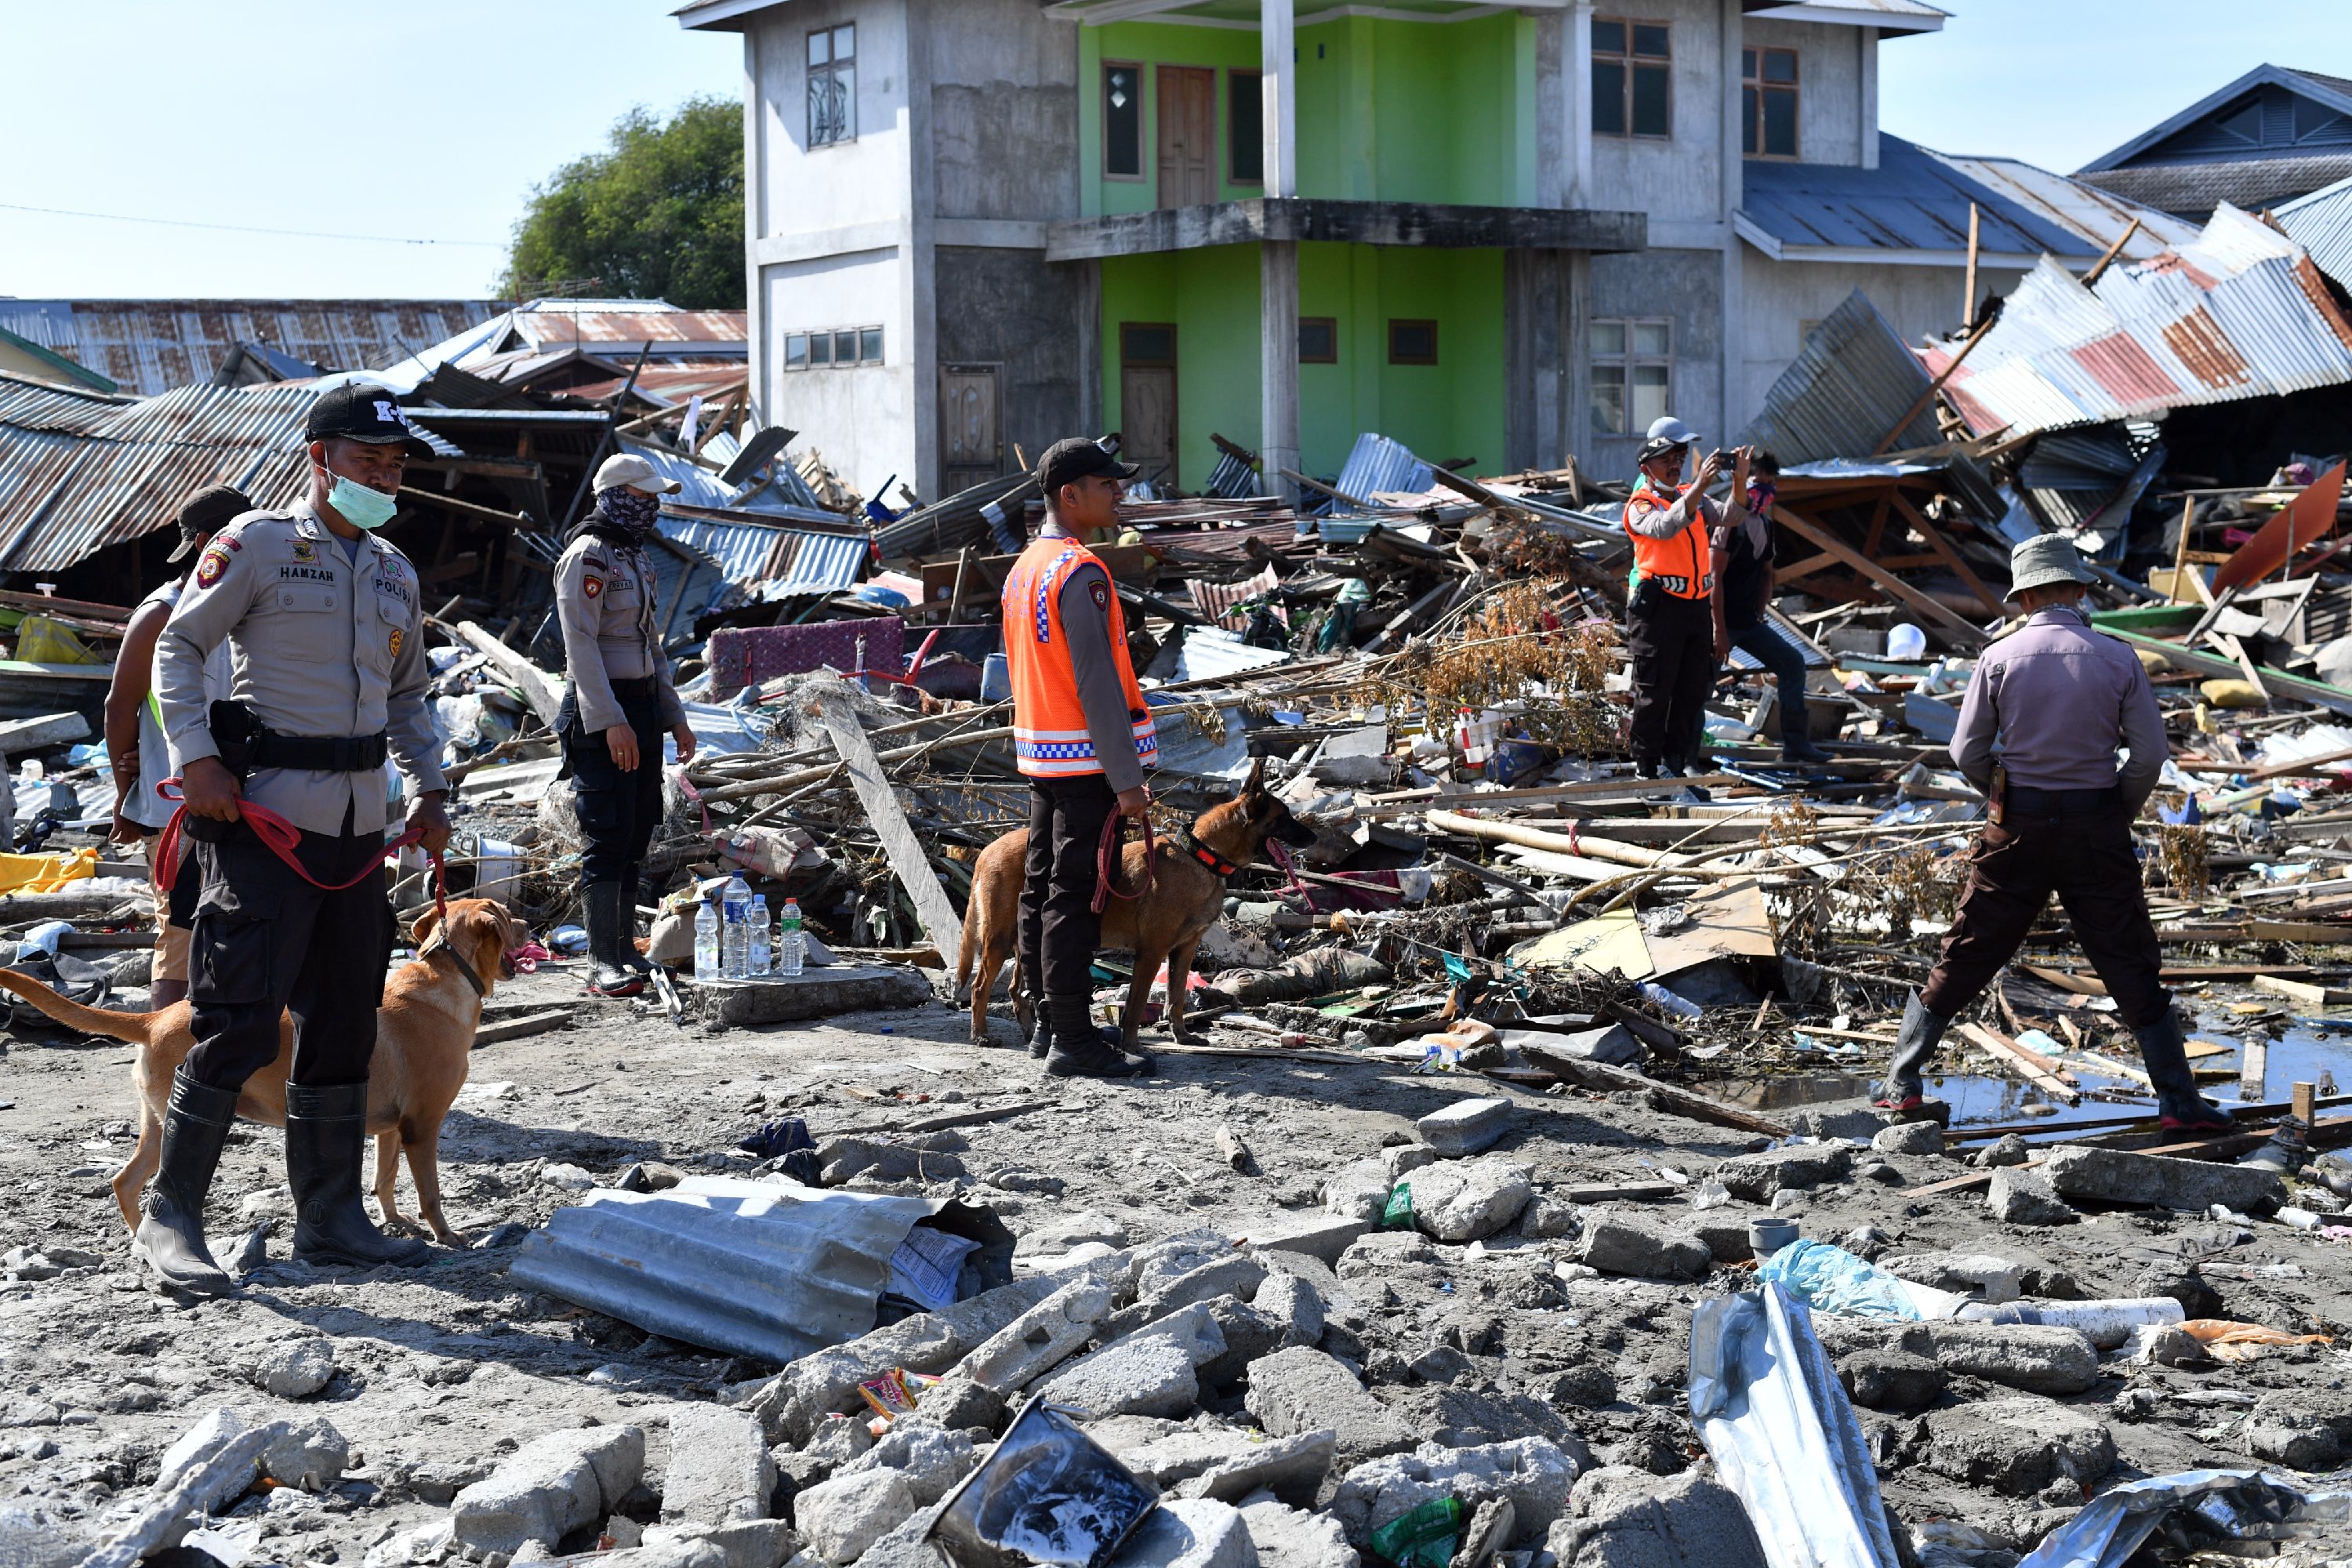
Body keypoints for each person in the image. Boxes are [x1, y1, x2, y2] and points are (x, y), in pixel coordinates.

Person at [141, 383, 453, 1295]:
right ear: (320, 458)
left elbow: (408, 697)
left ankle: (332, 1219)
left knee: (347, 1027)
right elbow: (178, 646)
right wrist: (197, 757)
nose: (385, 476)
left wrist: (431, 784)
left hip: (358, 836)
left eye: (395, 463)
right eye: (369, 460)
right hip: (263, 824)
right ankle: (172, 1218)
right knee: (236, 1023)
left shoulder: (395, 569)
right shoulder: (259, 545)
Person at [1872, 534, 2227, 1131]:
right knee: (2129, 958)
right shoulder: (2117, 657)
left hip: (2016, 829)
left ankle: (1901, 1084)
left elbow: (1966, 751)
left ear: (2024, 597)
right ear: (2079, 590)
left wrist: (2002, 796)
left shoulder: (1999, 657)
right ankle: (2178, 1104)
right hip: (2096, 826)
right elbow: (2148, 756)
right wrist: (2117, 809)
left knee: (1967, 950)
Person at [1004, 437, 1159, 1080]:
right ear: (1072, 495)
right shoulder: (1080, 573)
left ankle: (1047, 1023)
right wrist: (1127, 781)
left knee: (1041, 889)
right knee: (1074, 896)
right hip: (1087, 765)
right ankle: (1072, 1036)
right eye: (1107, 483)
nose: (1119, 492)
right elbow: (1097, 685)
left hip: (1043, 756)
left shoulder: (1024, 568)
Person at [554, 454, 698, 997]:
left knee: (637, 828)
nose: (651, 508)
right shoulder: (587, 557)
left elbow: (651, 646)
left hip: (640, 709)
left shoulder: (634, 559)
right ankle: (600, 960)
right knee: (607, 830)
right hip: (600, 712)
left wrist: (673, 716)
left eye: (654, 499)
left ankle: (621, 951)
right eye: (642, 499)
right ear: (615, 496)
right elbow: (581, 647)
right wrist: (610, 721)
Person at [109, 484, 249, 1008]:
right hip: (176, 805)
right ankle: (167, 1063)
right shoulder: (161, 611)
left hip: (249, 799)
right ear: (208, 544)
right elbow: (120, 707)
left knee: (240, 929)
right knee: (181, 932)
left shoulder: (253, 607)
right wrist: (126, 792)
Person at [1622, 416, 1749, 785]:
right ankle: (1647, 769)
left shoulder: (1689, 494)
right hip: (1659, 609)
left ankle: (1675, 767)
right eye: (1668, 459)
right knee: (1654, 692)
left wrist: (1738, 480)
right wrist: (1699, 489)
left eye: (1681, 456)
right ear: (1648, 466)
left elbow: (1731, 516)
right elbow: (1665, 527)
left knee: (1690, 692)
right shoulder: (1640, 504)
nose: (1676, 464)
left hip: (1694, 608)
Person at [1708, 450, 1827, 765]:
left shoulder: (1765, 526)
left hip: (1748, 621)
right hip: (1722, 622)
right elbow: (1714, 578)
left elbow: (1767, 572)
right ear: (1743, 482)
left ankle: (1796, 745)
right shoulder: (1728, 522)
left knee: (1792, 663)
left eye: (1770, 483)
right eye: (1757, 481)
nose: (1764, 489)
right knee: (1702, 683)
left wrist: (1761, 610)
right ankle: (1686, 752)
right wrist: (1718, 629)